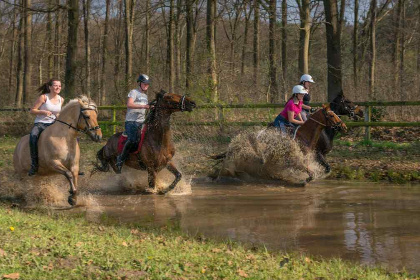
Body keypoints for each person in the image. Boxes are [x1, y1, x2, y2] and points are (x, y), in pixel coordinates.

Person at [115, 74, 151, 173]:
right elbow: (129, 104)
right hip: (131, 122)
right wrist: (144, 106)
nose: (146, 86)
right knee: (133, 139)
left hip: (141, 122)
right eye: (144, 84)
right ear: (139, 83)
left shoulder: (145, 96)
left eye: (147, 84)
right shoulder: (133, 92)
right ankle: (120, 159)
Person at [28, 79, 64, 176]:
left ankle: (72, 162)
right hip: (41, 123)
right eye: (56, 85)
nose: (58, 88)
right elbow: (32, 110)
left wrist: (59, 115)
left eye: (59, 86)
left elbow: (59, 112)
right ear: (50, 87)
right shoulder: (43, 97)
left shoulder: (61, 99)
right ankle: (34, 165)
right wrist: (43, 112)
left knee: (72, 136)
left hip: (54, 124)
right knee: (33, 137)